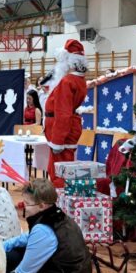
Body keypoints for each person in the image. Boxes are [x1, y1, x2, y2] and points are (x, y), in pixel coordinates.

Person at [3, 179, 93, 273]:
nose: (23, 207)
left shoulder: (43, 230)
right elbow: (28, 237)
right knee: (12, 253)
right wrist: (3, 245)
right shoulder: (56, 214)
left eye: (27, 203)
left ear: (41, 206)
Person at [43, 39, 88, 187]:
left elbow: (63, 113)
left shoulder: (68, 81)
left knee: (59, 173)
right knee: (62, 169)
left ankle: (58, 198)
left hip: (63, 133)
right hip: (68, 130)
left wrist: (57, 141)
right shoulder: (78, 80)